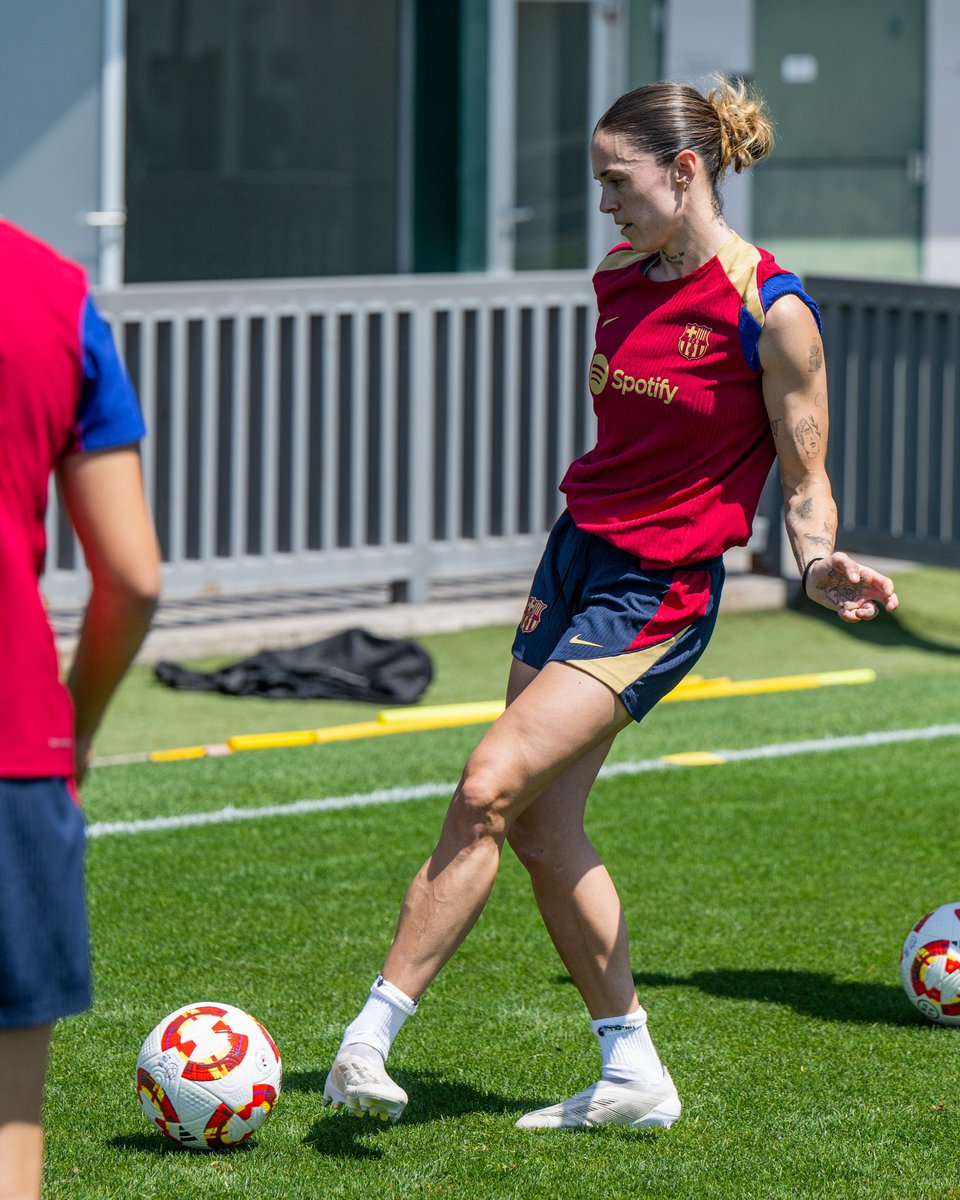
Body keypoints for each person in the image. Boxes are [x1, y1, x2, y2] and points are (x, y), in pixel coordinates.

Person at [322, 78, 899, 1131]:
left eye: (617, 181)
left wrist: (817, 568)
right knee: (542, 824)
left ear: (685, 172)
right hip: (574, 558)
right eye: (599, 183)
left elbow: (806, 481)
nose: (604, 203)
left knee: (490, 777)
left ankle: (368, 1035)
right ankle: (633, 1074)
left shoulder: (773, 314)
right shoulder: (620, 277)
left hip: (660, 592)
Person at [0, 219, 161, 1199]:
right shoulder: (48, 288)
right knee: (10, 1124)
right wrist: (80, 720)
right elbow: (133, 578)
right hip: (12, 740)